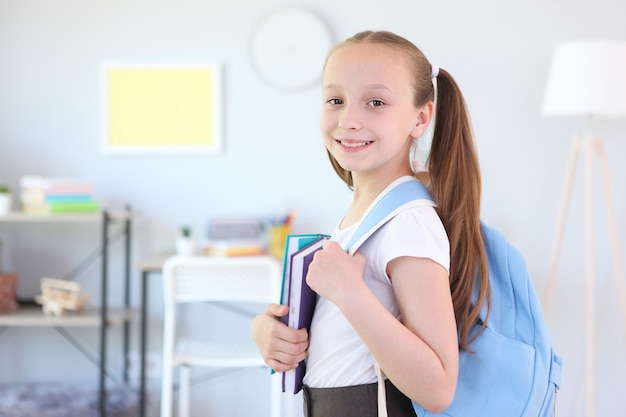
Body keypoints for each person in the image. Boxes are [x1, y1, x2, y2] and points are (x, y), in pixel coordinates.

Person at [251, 30, 489, 417]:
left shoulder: (409, 222)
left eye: (375, 102)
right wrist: (267, 331)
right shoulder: (366, 212)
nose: (349, 119)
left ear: (420, 117)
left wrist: (349, 292)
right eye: (335, 100)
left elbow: (438, 387)